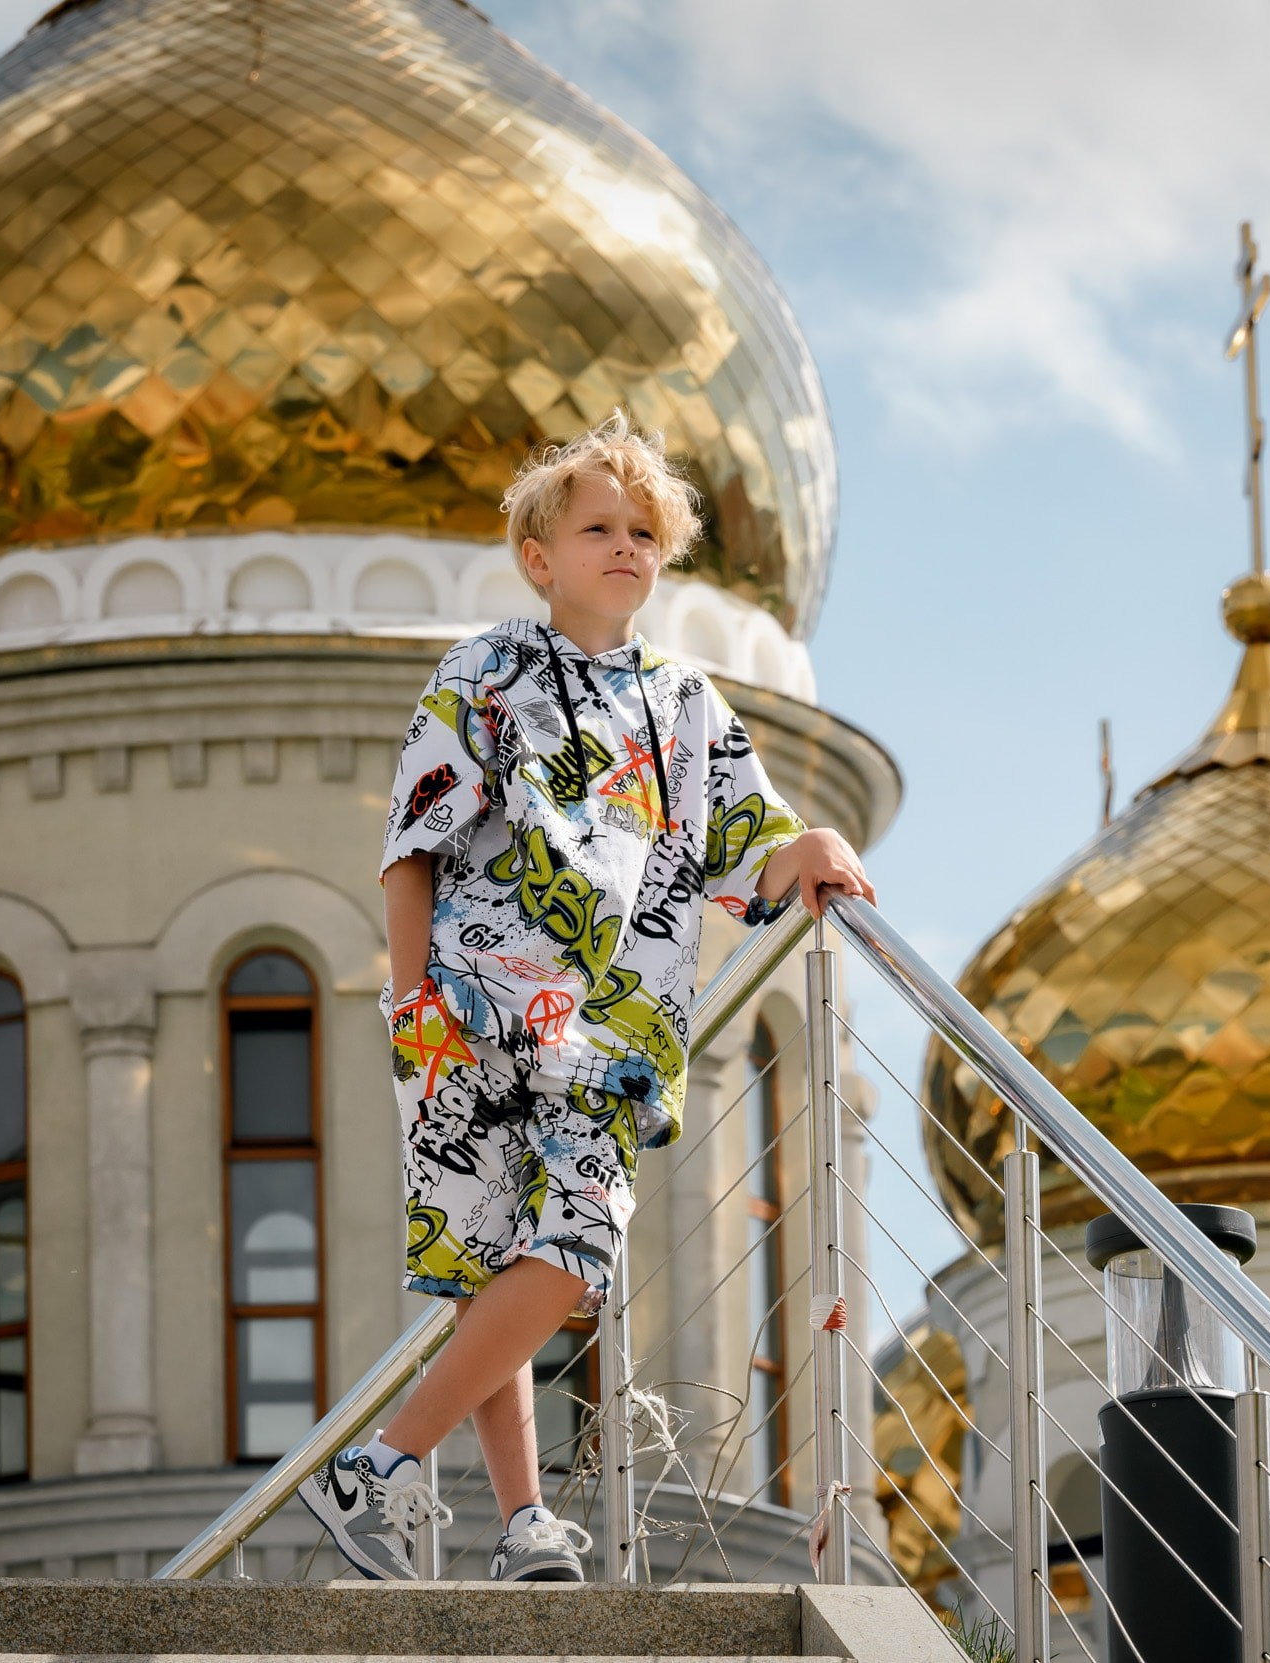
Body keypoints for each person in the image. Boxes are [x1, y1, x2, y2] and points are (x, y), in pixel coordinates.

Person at [298, 412, 875, 1582]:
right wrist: (413, 1009)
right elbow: (414, 843)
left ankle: (379, 1463)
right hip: (471, 1020)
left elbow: (744, 857)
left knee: (575, 1243)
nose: (625, 547)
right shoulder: (485, 672)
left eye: (645, 531)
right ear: (539, 556)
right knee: (489, 1271)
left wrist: (805, 843)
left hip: (606, 1047)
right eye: (599, 527)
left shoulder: (686, 705)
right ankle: (521, 1524)